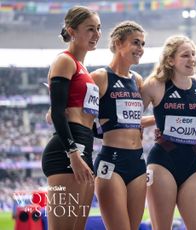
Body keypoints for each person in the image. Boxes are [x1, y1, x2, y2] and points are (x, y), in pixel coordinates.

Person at [141, 35, 196, 230]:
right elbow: (130, 119)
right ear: (171, 60)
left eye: (194, 54)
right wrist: (157, 121)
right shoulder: (155, 84)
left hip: (191, 164)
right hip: (163, 163)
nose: (192, 59)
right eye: (185, 55)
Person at [41, 6, 101, 230]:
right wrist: (73, 154)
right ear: (72, 31)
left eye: (98, 29)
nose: (96, 34)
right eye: (90, 29)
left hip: (85, 147)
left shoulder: (83, 68)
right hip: (67, 152)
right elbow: (58, 113)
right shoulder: (65, 61)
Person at [91, 21, 147, 230]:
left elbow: (132, 122)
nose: (141, 49)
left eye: (143, 43)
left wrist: (161, 123)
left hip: (138, 162)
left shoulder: (138, 80)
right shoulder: (99, 77)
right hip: (111, 162)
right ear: (118, 43)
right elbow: (80, 117)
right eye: (135, 42)